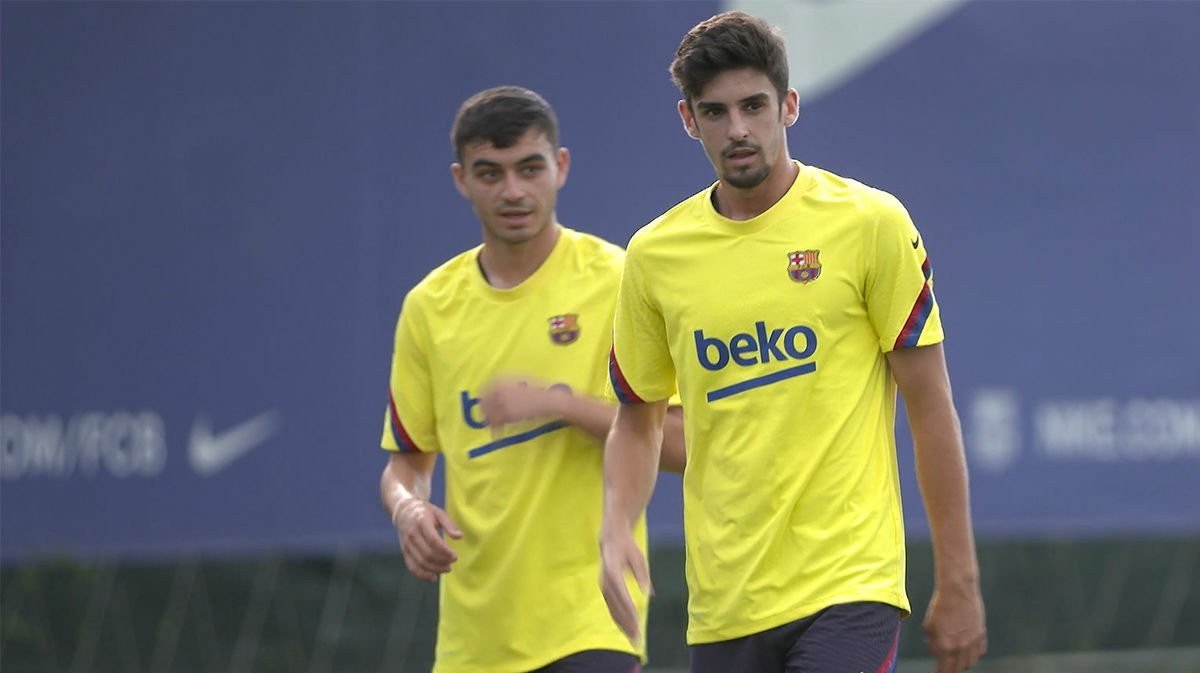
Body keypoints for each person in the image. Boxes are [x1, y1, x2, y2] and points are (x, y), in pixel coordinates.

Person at [599, 11, 986, 673]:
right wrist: (614, 528)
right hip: (724, 604)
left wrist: (960, 581)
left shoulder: (870, 223)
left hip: (849, 585)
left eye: (754, 106)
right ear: (689, 120)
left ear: (790, 106)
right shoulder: (654, 255)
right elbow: (636, 418)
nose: (739, 129)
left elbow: (930, 407)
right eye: (715, 112)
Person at [379, 86, 684, 673]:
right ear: (460, 180)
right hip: (473, 642)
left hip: (589, 621)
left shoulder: (618, 279)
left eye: (529, 168)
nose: (513, 191)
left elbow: (683, 443)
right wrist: (408, 511)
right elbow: (405, 466)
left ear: (560, 168)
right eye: (490, 173)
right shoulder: (429, 307)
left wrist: (558, 405)